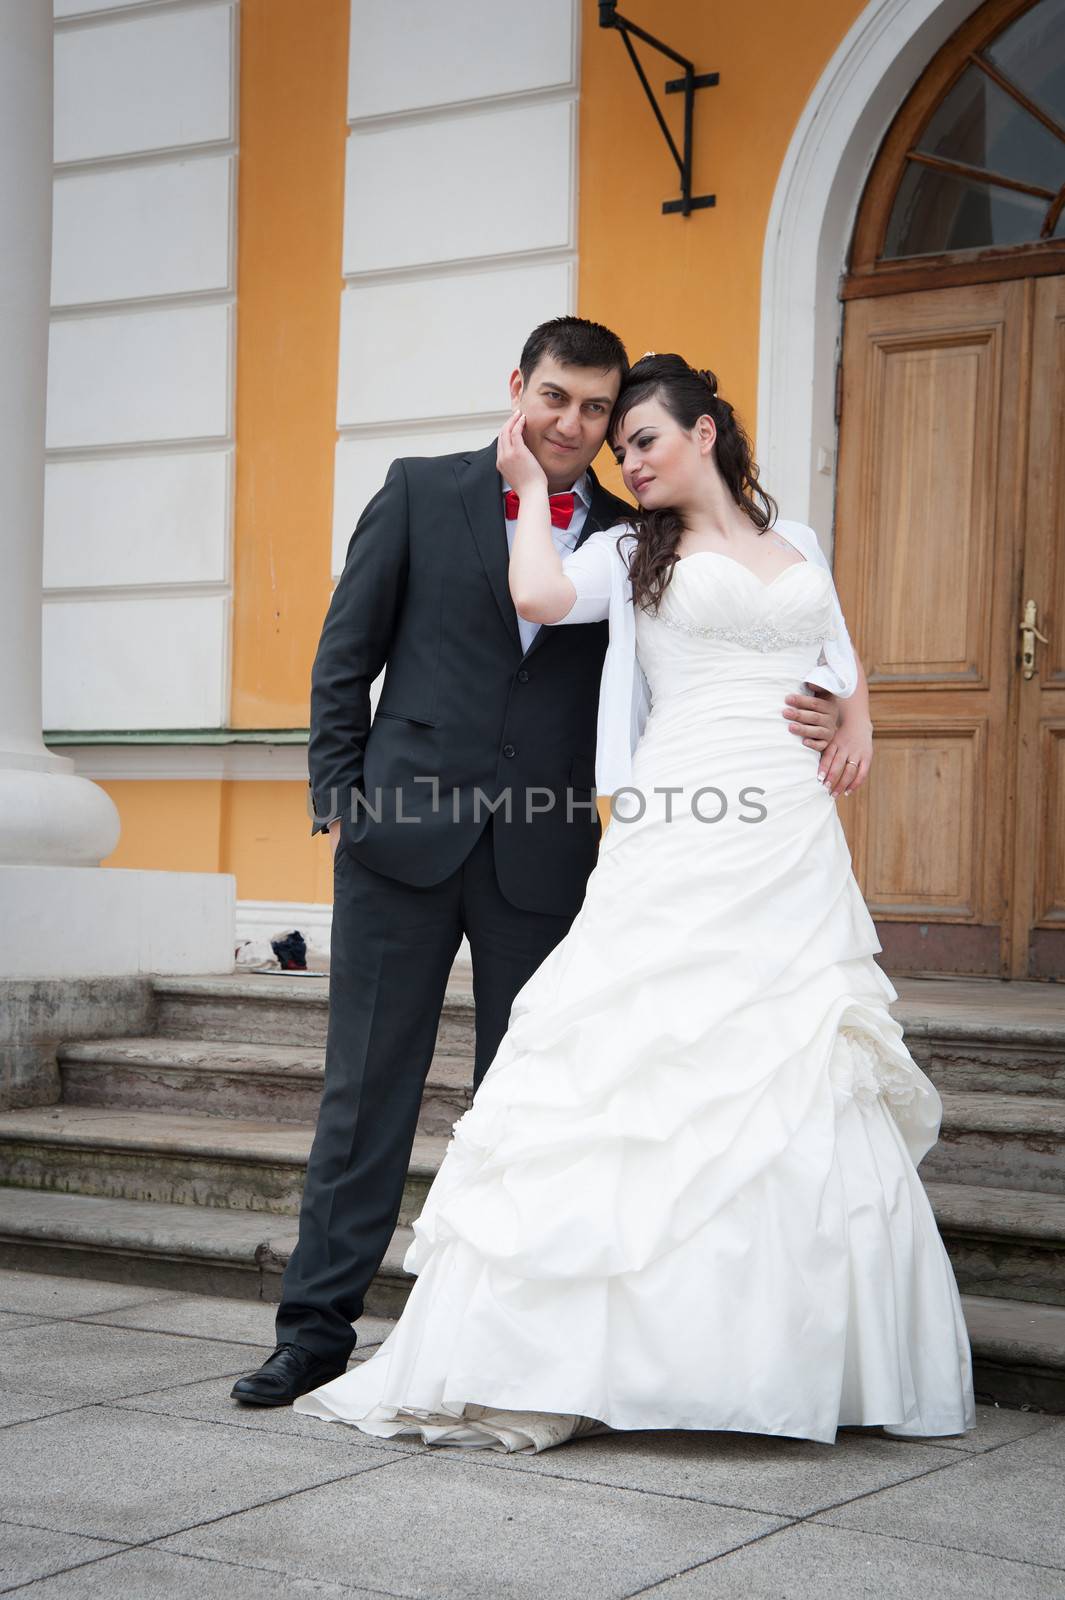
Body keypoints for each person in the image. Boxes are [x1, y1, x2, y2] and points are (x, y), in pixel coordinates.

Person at [291, 354, 975, 1450]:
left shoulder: (795, 545)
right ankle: (363, 1334)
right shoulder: (624, 547)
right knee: (603, 1063)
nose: (625, 456)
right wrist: (521, 488)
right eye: (617, 443)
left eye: (639, 435)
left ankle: (783, 1353)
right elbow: (526, 598)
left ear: (704, 433)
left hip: (783, 832)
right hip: (656, 817)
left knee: (787, 1061)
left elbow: (839, 659)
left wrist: (862, 721)